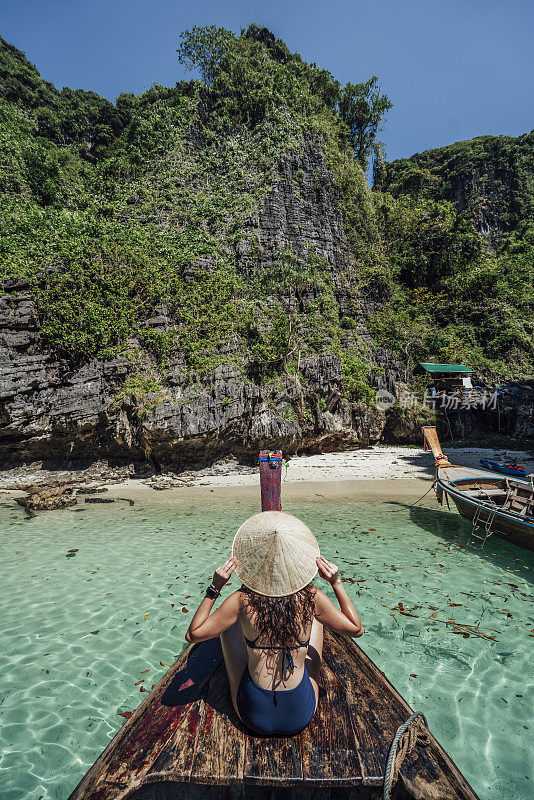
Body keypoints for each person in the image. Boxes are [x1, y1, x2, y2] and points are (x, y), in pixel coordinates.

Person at [186, 511, 363, 737]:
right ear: (299, 561)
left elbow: (194, 635)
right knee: (318, 621)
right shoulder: (311, 598)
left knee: (228, 626)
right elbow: (355, 630)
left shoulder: (241, 600)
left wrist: (215, 587)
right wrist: (336, 582)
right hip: (300, 714)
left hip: (253, 715)